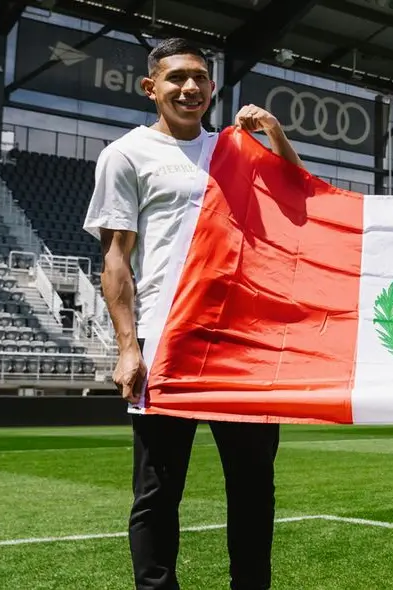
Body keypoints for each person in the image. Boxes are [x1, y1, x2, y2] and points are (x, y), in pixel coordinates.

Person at [83, 37, 303, 590]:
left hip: (243, 348)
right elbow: (115, 258)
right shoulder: (126, 154)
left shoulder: (236, 148)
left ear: (211, 87)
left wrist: (275, 138)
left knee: (254, 491)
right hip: (168, 345)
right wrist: (128, 346)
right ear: (150, 86)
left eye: (201, 78)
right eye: (177, 77)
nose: (190, 88)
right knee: (158, 492)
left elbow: (301, 202)